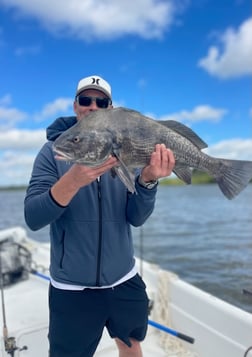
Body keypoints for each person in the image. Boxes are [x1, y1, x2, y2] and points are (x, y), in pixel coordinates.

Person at [24, 75, 175, 357]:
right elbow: (33, 218)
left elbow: (136, 218)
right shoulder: (52, 152)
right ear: (75, 106)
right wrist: (73, 180)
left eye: (101, 101)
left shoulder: (125, 152)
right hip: (71, 288)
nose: (92, 106)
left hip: (124, 278)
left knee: (131, 343)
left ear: (110, 108)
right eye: (85, 99)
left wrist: (149, 181)